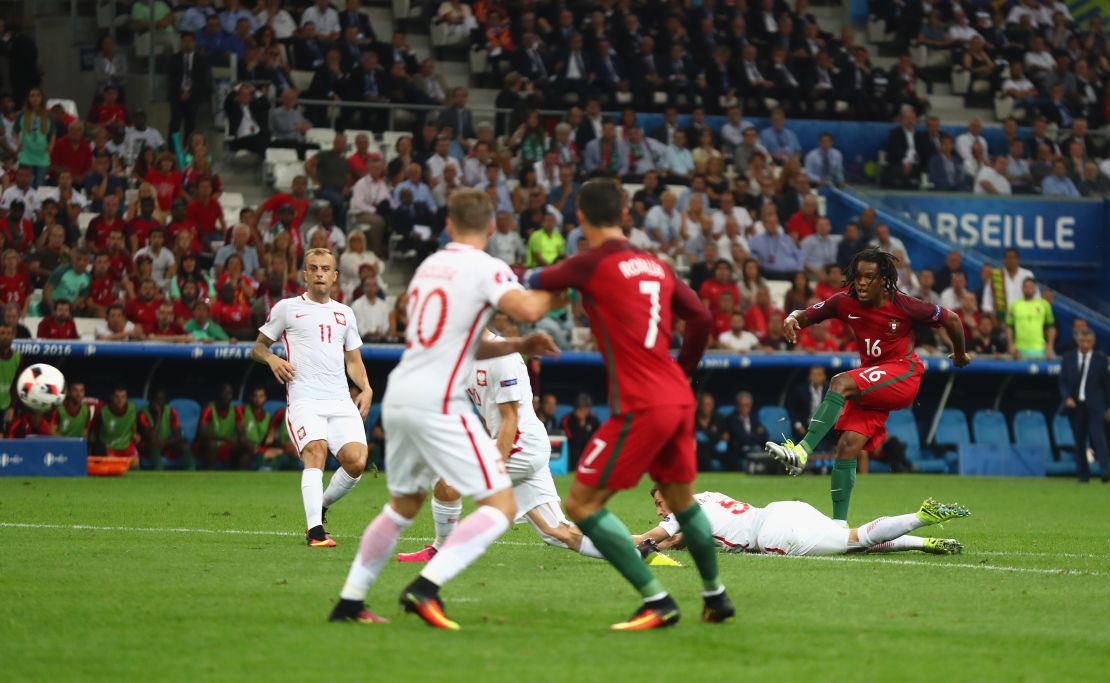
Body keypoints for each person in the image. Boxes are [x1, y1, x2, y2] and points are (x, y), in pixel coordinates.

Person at [327, 189, 559, 628]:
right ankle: (425, 588)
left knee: (403, 504)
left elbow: (460, 344)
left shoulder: (428, 269)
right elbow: (528, 306)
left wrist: (518, 345)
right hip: (438, 402)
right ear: (491, 227)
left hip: (402, 394)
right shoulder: (488, 267)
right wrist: (569, 283)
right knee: (500, 507)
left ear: (448, 225)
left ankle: (349, 602)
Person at [527, 178, 732, 629]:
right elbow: (699, 317)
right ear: (624, 215)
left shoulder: (589, 264)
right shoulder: (655, 265)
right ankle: (715, 596)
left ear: (579, 217)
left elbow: (533, 281)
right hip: (677, 396)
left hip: (641, 403)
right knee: (682, 503)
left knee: (580, 505)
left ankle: (657, 601)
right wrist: (683, 370)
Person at [766, 248, 971, 524]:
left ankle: (801, 451)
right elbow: (805, 315)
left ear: (883, 279)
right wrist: (792, 318)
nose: (861, 283)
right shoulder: (844, 302)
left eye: (869, 277)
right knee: (847, 446)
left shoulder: (904, 304)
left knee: (840, 382)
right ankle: (839, 526)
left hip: (903, 374)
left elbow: (953, 320)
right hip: (874, 378)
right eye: (858, 276)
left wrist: (959, 354)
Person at [396, 336, 607, 564]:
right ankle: (640, 548)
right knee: (555, 532)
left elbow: (510, 419)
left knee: (447, 476)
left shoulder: (501, 356)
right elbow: (489, 417)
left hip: (521, 444)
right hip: (519, 444)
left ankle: (442, 550)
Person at [254, 249, 373, 544]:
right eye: (313, 268)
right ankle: (315, 531)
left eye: (325, 269)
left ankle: (320, 506)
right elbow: (257, 347)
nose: (319, 273)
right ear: (304, 274)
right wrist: (271, 359)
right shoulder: (287, 308)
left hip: (340, 399)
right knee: (316, 451)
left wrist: (367, 389)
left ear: (334, 276)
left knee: (357, 462)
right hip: (305, 397)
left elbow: (353, 361)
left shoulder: (345, 313)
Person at [633, 488, 968, 556]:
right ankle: (925, 543)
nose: (660, 506)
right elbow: (679, 540)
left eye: (660, 498)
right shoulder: (707, 494)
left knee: (856, 540)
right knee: (850, 541)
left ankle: (920, 517)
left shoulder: (680, 513)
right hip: (785, 508)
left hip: (774, 534)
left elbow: (654, 537)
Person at [1058, 329, 1110, 483]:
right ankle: (1083, 474)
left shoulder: (1100, 359)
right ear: (1077, 342)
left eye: (1088, 342)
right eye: (1083, 341)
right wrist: (1067, 398)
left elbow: (1107, 385)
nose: (1086, 345)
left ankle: (1105, 471)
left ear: (1093, 342)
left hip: (1095, 406)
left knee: (1098, 437)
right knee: (1079, 440)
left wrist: (1108, 406)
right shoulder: (1068, 358)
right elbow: (1063, 382)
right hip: (1076, 406)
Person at [138, 388, 190, 470]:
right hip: (149, 446)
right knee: (154, 444)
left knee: (184, 445)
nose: (159, 403)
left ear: (165, 401)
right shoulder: (143, 414)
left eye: (162, 400)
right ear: (151, 401)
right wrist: (158, 416)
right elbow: (151, 438)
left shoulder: (171, 411)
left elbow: (178, 436)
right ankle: (159, 470)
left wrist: (164, 442)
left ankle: (191, 471)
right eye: (156, 400)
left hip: (165, 443)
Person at [1005, 278, 1056, 359]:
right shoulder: (1014, 305)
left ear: (1035, 288)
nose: (1028, 289)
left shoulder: (1044, 304)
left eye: (1031, 286)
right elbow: (1009, 327)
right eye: (1026, 287)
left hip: (1039, 350)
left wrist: (1050, 346)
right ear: (1022, 288)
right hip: (1019, 350)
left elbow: (1051, 327)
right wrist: (1011, 345)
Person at [96, 386, 139, 467]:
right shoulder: (103, 411)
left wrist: (134, 433)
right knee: (114, 467)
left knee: (135, 464)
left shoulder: (132, 408)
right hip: (110, 446)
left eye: (123, 397)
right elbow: (96, 430)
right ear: (112, 398)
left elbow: (133, 422)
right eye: (117, 397)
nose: (120, 400)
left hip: (126, 445)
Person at [561, 392, 601, 469]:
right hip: (571, 456)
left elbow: (596, 441)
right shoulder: (567, 420)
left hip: (589, 456)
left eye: (585, 407)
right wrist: (582, 423)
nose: (582, 410)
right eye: (580, 407)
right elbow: (573, 441)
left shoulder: (594, 420)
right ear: (575, 408)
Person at [0, 322, 22, 431]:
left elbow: (15, 385)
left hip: (5, 406)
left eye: (9, 333)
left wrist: (12, 407)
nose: (6, 336)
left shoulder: (17, 357)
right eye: (2, 333)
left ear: (13, 335)